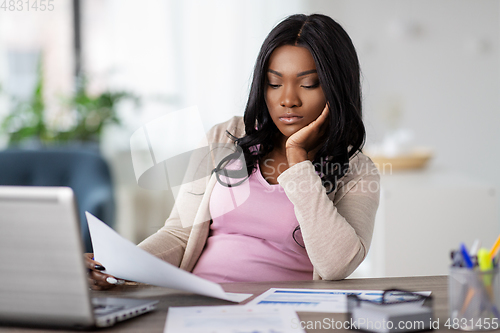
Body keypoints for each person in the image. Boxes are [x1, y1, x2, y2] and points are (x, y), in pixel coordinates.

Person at [87, 13, 380, 289]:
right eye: (274, 83)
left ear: (336, 88)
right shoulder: (224, 137)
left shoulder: (358, 170)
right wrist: (119, 267)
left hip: (284, 312)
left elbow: (337, 265)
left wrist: (298, 160)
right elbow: (179, 234)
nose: (288, 99)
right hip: (199, 299)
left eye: (308, 84)